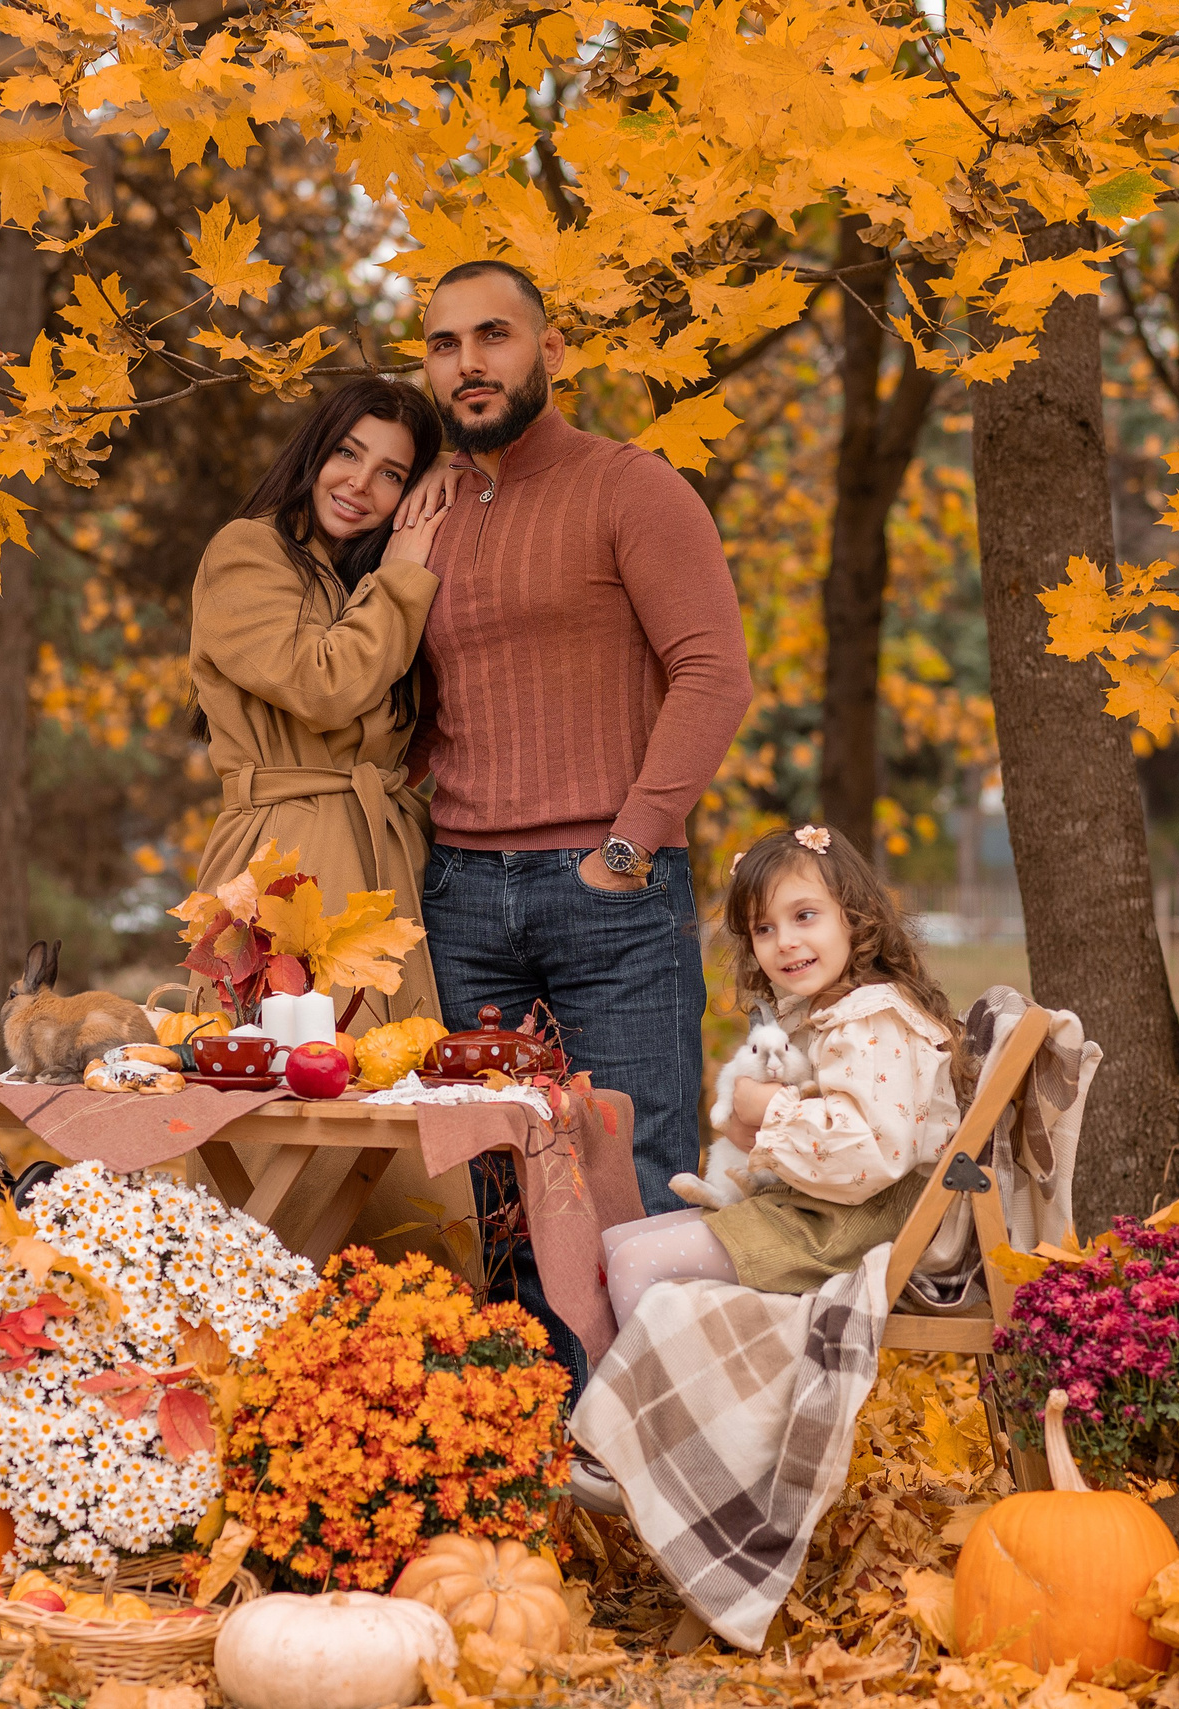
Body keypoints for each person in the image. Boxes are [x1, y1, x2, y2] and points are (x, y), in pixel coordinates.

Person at [398, 259, 754, 1376]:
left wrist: (630, 840)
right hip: (460, 894)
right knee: (490, 1184)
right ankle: (532, 1444)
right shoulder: (425, 515)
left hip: (608, 885)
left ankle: (660, 1443)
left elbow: (713, 672)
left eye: (493, 335)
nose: (469, 363)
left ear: (551, 350)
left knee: (634, 1171)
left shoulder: (630, 487)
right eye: (444, 344)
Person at [594, 824, 970, 1331]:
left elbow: (869, 1151)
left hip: (855, 1227)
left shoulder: (871, 1019)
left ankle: (650, 1405)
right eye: (763, 928)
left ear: (855, 918)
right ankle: (644, 1396)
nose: (785, 942)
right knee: (618, 1244)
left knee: (635, 1261)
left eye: (804, 916)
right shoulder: (826, 1013)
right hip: (823, 1210)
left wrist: (764, 1110)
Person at [189, 376, 453, 1027]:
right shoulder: (247, 551)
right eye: (347, 453)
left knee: (398, 1079)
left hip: (393, 856)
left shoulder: (370, 576)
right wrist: (403, 573)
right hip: (282, 856)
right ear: (314, 452)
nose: (361, 483)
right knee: (278, 1084)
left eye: (392, 474)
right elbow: (323, 687)